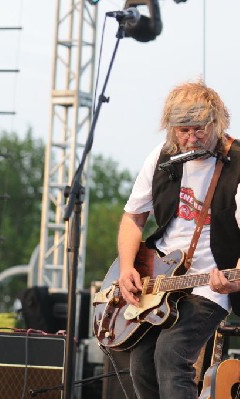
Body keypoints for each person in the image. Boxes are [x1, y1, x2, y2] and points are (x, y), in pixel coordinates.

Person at [117, 79, 240, 399]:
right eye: (182, 130)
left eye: (199, 129)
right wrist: (127, 267)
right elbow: (133, 217)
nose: (190, 138)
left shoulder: (238, 163)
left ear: (217, 123)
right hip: (159, 278)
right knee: (141, 363)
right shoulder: (161, 157)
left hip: (210, 282)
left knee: (171, 356)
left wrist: (236, 275)